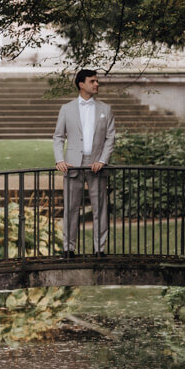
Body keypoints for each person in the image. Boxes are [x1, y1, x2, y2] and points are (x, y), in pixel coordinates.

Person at [53, 68, 116, 257]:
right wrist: (60, 160)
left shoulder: (106, 109)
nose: (97, 84)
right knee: (71, 210)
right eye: (92, 81)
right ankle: (68, 249)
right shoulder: (66, 108)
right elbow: (58, 137)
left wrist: (103, 160)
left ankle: (99, 250)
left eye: (97, 81)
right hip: (72, 165)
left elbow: (110, 138)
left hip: (97, 165)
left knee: (100, 210)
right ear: (81, 84)